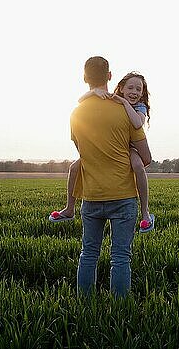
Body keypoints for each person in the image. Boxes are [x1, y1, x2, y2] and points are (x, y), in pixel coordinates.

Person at [66, 56, 152, 297]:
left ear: (85, 78)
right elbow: (145, 158)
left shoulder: (76, 113)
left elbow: (83, 154)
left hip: (91, 196)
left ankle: (84, 305)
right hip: (123, 195)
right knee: (120, 257)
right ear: (111, 77)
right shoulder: (124, 111)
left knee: (89, 253)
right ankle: (120, 311)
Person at [49, 72, 155, 233]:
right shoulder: (113, 99)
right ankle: (69, 209)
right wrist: (93, 92)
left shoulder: (139, 106)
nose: (134, 92)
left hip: (130, 147)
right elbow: (80, 100)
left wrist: (124, 103)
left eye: (139, 89)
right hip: (110, 146)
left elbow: (137, 123)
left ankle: (145, 213)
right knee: (74, 168)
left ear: (142, 93)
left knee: (139, 166)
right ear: (121, 88)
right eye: (130, 87)